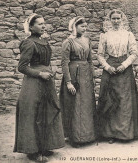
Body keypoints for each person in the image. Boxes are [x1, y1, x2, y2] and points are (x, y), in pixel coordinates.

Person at [14, 13, 65, 162]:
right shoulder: (29, 43)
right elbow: (22, 67)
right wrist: (39, 74)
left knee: (47, 112)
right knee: (35, 115)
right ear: (31, 27)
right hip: (34, 83)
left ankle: (44, 146)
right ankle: (33, 151)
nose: (43, 26)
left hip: (47, 81)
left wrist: (51, 70)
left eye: (44, 23)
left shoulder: (44, 41)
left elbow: (46, 62)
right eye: (40, 24)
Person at [96, 9, 138, 144]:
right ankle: (110, 133)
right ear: (110, 20)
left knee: (124, 100)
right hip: (110, 68)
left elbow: (134, 53)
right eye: (113, 19)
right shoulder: (105, 35)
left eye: (118, 19)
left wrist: (124, 65)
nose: (116, 21)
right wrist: (107, 67)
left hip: (124, 69)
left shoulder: (128, 34)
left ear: (122, 20)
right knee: (110, 99)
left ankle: (125, 133)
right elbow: (99, 54)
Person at [59, 16, 96, 147]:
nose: (84, 29)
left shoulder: (87, 40)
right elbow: (64, 63)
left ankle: (88, 135)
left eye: (86, 26)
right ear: (75, 27)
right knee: (75, 105)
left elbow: (90, 60)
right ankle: (75, 137)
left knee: (86, 105)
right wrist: (68, 82)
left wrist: (93, 76)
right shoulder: (68, 42)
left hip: (86, 75)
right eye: (82, 26)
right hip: (74, 74)